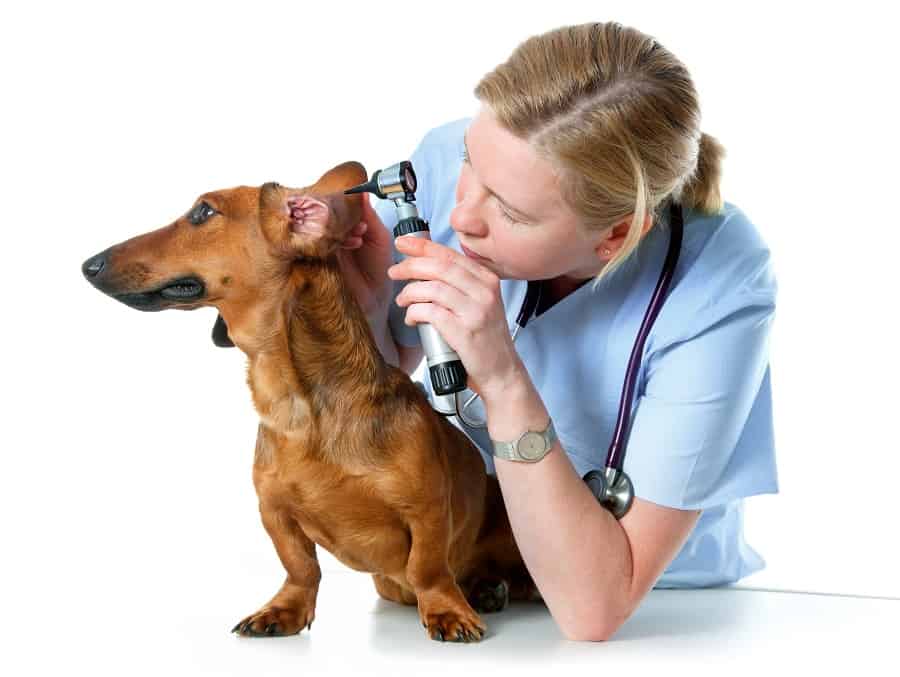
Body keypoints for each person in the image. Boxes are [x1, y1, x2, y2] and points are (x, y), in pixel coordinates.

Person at [334, 21, 778, 642]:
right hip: (472, 573)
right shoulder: (451, 158)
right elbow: (379, 399)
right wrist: (369, 305)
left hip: (667, 616)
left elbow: (594, 608)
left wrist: (502, 378)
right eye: (470, 162)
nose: (462, 214)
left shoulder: (719, 277)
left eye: (509, 212)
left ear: (617, 234)